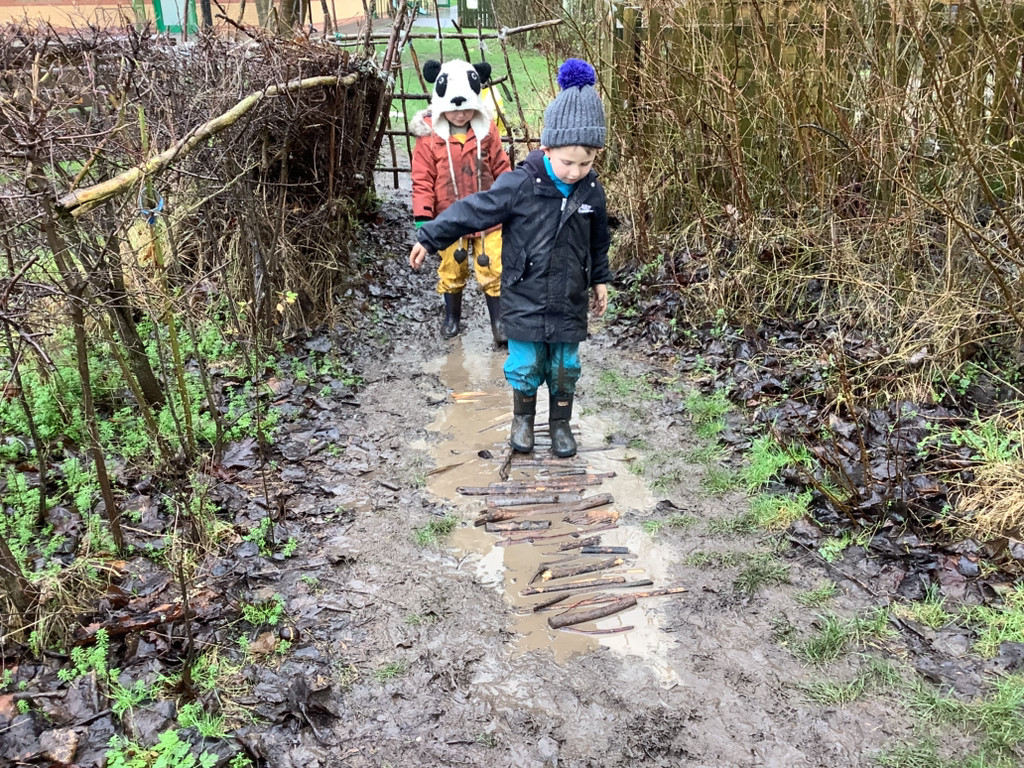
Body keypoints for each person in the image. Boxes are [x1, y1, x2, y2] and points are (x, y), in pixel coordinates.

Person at [409, 59, 611, 458]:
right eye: (568, 162)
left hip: (568, 299)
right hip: (524, 294)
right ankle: (523, 420)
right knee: (525, 362)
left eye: (586, 163)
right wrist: (431, 235)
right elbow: (474, 209)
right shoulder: (520, 185)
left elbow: (598, 241)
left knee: (564, 367)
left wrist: (599, 279)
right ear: (547, 147)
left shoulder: (591, 192)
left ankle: (560, 424)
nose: (575, 172)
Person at [410, 58, 511, 344]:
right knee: (452, 269)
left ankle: (499, 322)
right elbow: (422, 178)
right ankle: (452, 316)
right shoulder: (429, 137)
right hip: (449, 217)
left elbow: (501, 167)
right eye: (454, 109)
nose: (460, 114)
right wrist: (425, 220)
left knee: (494, 266)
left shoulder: (487, 131)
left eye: (466, 108)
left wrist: (510, 200)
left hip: (488, 217)